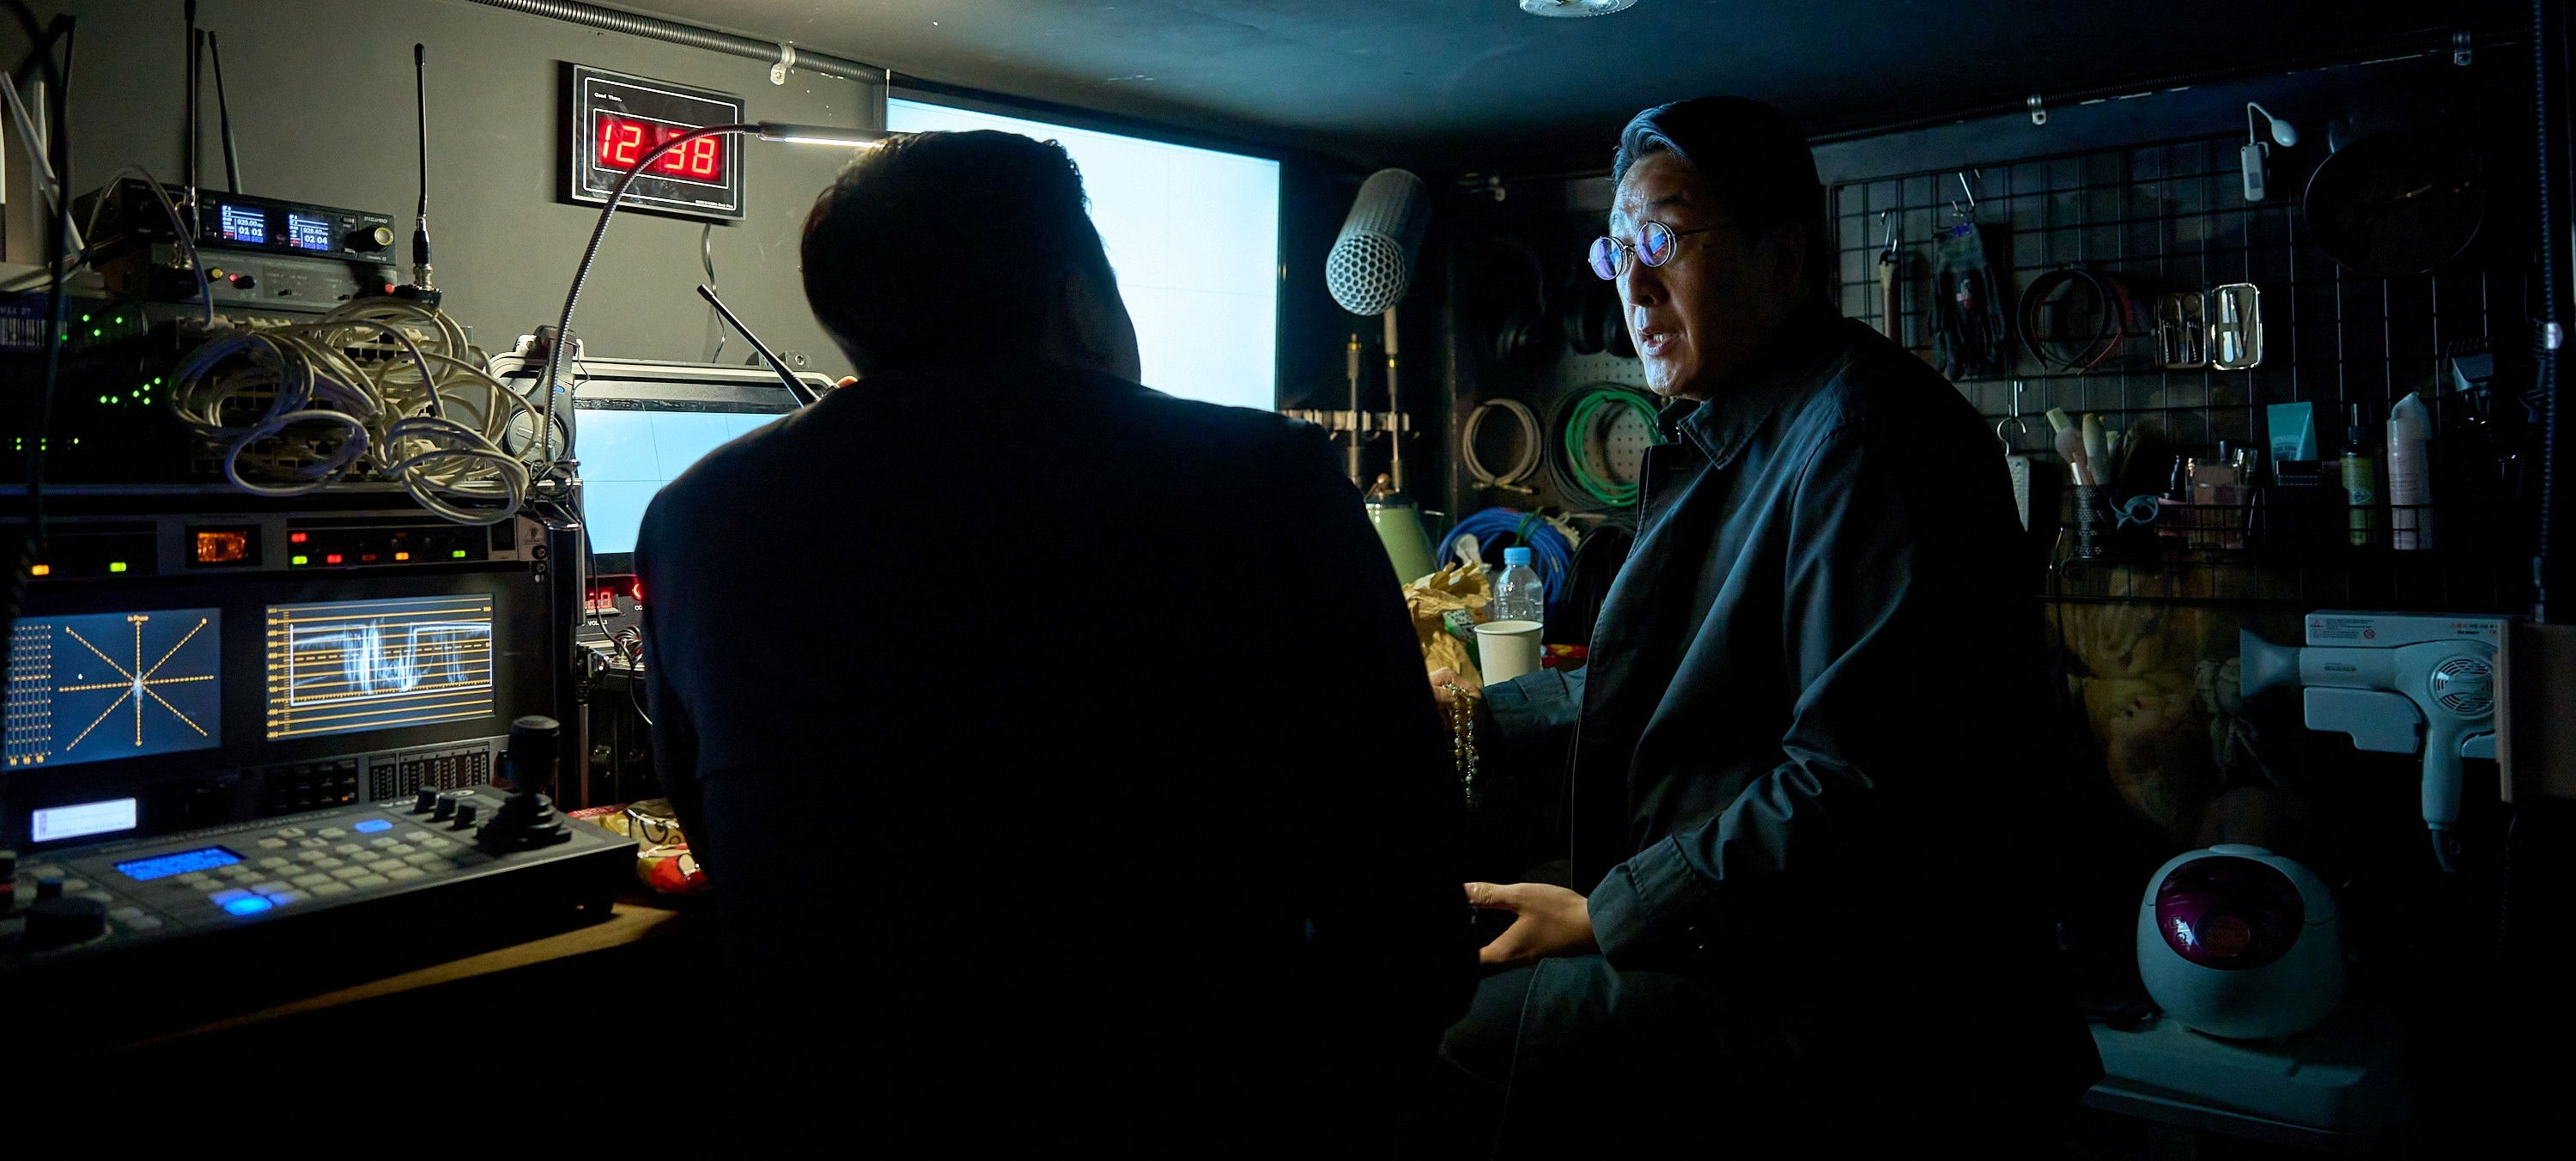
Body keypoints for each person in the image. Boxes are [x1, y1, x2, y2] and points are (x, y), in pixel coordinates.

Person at [639, 130, 1474, 1148]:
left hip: (840, 1135)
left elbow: (721, 839)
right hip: (1202, 1128)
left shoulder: (694, 518)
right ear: (1080, 303)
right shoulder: (1269, 482)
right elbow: (1406, 903)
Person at [1428, 98, 2098, 1152]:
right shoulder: (1738, 423)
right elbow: (1657, 679)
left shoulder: (1865, 438)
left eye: (1664, 241)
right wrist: (1468, 715)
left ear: (1782, 259)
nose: (1634, 287)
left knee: (1454, 1034)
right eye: (1617, 250)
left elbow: (1850, 782)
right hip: (1761, 943)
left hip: (1872, 1011)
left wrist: (1611, 914)